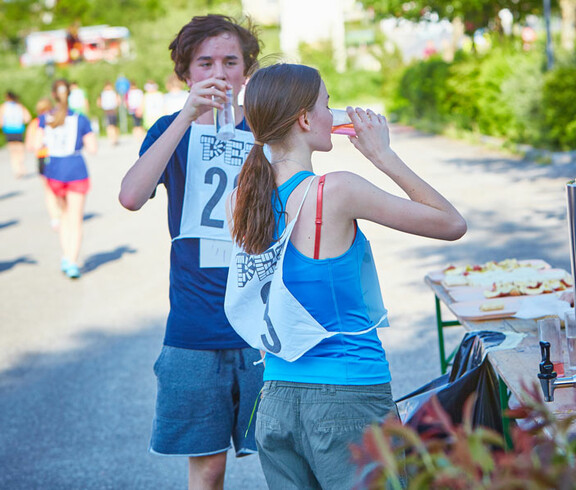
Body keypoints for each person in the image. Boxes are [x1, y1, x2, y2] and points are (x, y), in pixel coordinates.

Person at [225, 63, 467, 489]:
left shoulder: (240, 201)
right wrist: (383, 156)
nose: (333, 113)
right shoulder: (334, 191)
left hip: (276, 400)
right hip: (349, 400)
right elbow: (450, 223)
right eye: (327, 104)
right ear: (304, 119)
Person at [118, 15, 264, 490]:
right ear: (186, 73)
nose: (218, 72)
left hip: (265, 320)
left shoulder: (266, 129)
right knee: (208, 466)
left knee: (284, 452)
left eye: (230, 61)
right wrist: (184, 117)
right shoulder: (168, 129)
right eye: (205, 63)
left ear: (247, 70)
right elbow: (131, 196)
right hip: (195, 322)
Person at [36, 79, 97, 279]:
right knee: (75, 219)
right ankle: (71, 260)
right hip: (76, 170)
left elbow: (36, 145)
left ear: (53, 95)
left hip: (54, 170)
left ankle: (65, 256)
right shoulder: (80, 119)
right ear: (70, 95)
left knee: (63, 216)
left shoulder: (45, 118)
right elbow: (93, 148)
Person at [25, 97, 61, 230]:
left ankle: (54, 218)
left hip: (42, 157)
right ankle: (62, 213)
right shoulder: (57, 120)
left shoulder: (35, 123)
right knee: (59, 187)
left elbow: (30, 145)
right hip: (56, 156)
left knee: (48, 190)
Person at [0, 91, 32, 178]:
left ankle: (16, 169)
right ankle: (21, 165)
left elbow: (1, 121)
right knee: (20, 149)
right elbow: (27, 118)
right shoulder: (19, 106)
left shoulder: (4, 107)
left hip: (9, 130)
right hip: (18, 129)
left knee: (12, 151)